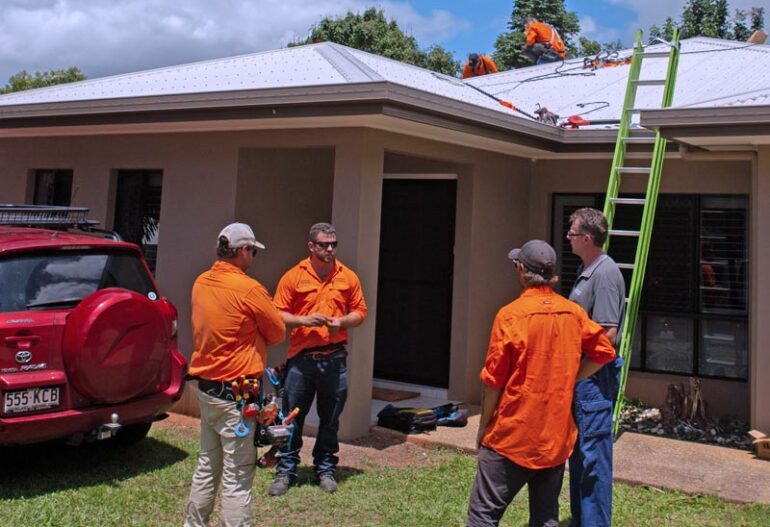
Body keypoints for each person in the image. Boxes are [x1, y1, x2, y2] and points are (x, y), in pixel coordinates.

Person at [467, 240, 616, 527]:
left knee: (482, 517)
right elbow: (605, 352)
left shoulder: (510, 315)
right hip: (555, 439)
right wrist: (572, 376)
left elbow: (494, 381)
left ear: (522, 270)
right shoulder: (572, 313)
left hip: (511, 437)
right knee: (546, 517)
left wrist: (484, 426)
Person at [184, 223, 286, 527]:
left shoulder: (201, 281)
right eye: (252, 251)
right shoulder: (249, 288)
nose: (253, 256)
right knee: (237, 476)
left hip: (208, 391)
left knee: (206, 465)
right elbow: (277, 332)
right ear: (242, 251)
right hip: (237, 399)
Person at [268, 222, 367, 496]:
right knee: (291, 418)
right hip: (301, 360)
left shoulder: (347, 276)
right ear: (311, 246)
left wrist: (341, 321)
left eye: (333, 244)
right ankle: (285, 471)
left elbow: (360, 312)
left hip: (334, 359)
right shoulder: (293, 277)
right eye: (324, 244)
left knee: (331, 418)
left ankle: (325, 469)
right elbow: (277, 314)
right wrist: (303, 319)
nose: (330, 249)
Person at [566, 208, 626, 527]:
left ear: (587, 238)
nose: (568, 237)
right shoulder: (586, 269)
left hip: (593, 379)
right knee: (579, 457)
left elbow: (607, 337)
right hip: (582, 377)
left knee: (594, 461)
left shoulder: (605, 273)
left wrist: (576, 375)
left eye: (572, 233)